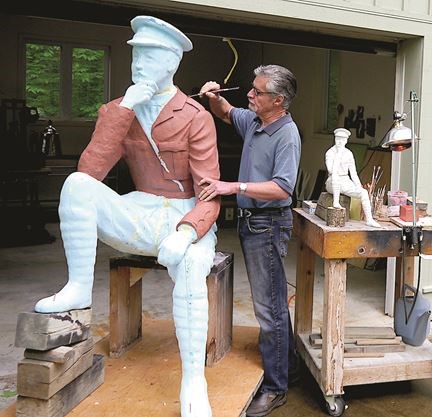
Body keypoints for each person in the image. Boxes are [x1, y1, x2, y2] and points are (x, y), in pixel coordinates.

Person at [34, 16, 220, 417]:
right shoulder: (120, 109)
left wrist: (186, 233)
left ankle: (193, 380)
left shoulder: (194, 116)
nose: (138, 64)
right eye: (135, 54)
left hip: (185, 212)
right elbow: (90, 172)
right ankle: (79, 286)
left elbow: (211, 194)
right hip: (140, 207)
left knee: (189, 267)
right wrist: (125, 110)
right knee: (75, 186)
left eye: (149, 57)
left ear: (170, 63)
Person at [198, 65, 301, 417]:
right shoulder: (256, 122)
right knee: (273, 301)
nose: (249, 95)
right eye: (252, 90)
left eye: (257, 92)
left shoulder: (286, 135)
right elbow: (225, 112)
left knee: (268, 309)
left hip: (268, 224)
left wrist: (234, 186)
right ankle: (289, 366)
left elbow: (282, 188)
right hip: (251, 222)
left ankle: (275, 388)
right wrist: (212, 96)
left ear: (279, 100)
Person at [325, 127, 381, 227]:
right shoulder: (330, 152)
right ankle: (336, 202)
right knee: (335, 178)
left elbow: (353, 173)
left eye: (342, 139)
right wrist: (337, 157)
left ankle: (369, 219)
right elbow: (331, 170)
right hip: (332, 181)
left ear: (346, 140)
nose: (339, 142)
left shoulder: (348, 154)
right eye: (338, 139)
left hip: (345, 180)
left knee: (363, 192)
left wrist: (358, 186)